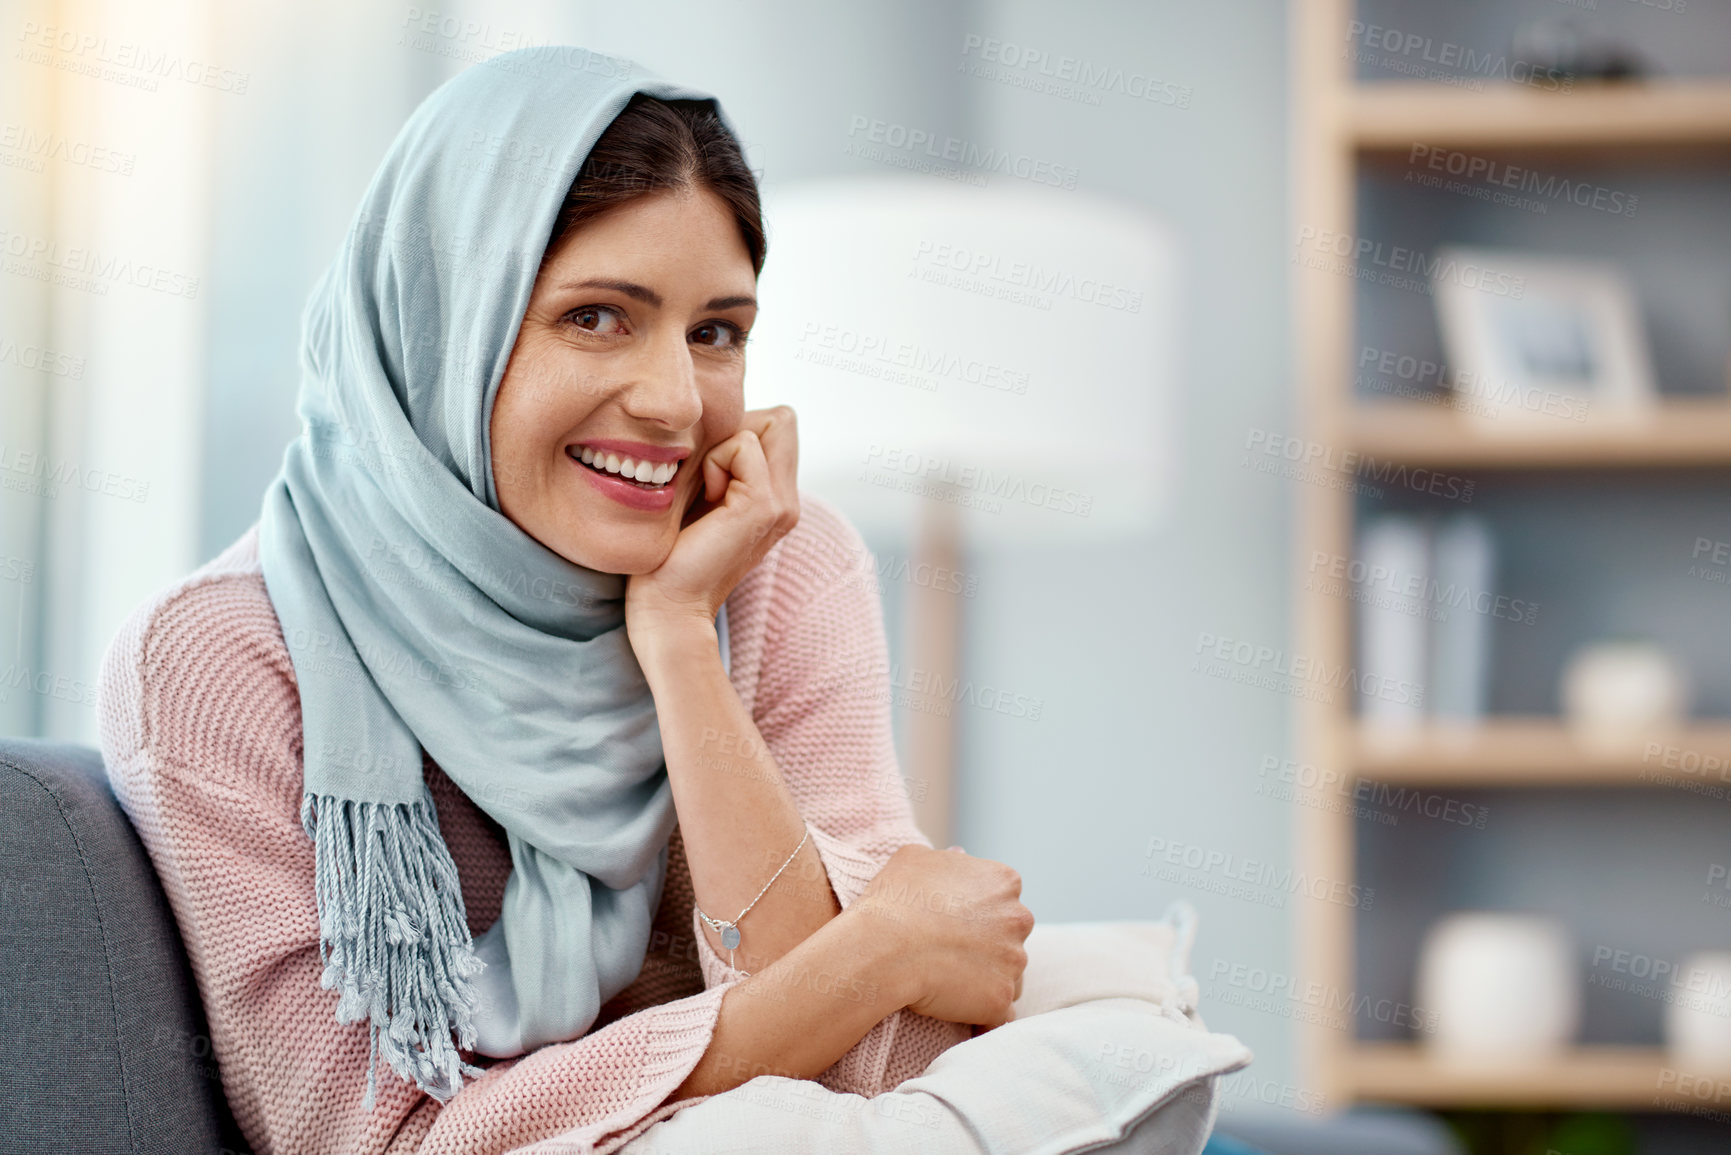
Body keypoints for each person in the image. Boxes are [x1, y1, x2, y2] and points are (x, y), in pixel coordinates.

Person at [94, 45, 1037, 1155]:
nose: (676, 400)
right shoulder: (222, 661)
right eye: (597, 317)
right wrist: (875, 955)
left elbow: (882, 1062)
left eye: (716, 331)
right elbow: (378, 1142)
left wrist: (683, 641)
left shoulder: (776, 564)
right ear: (447, 322)